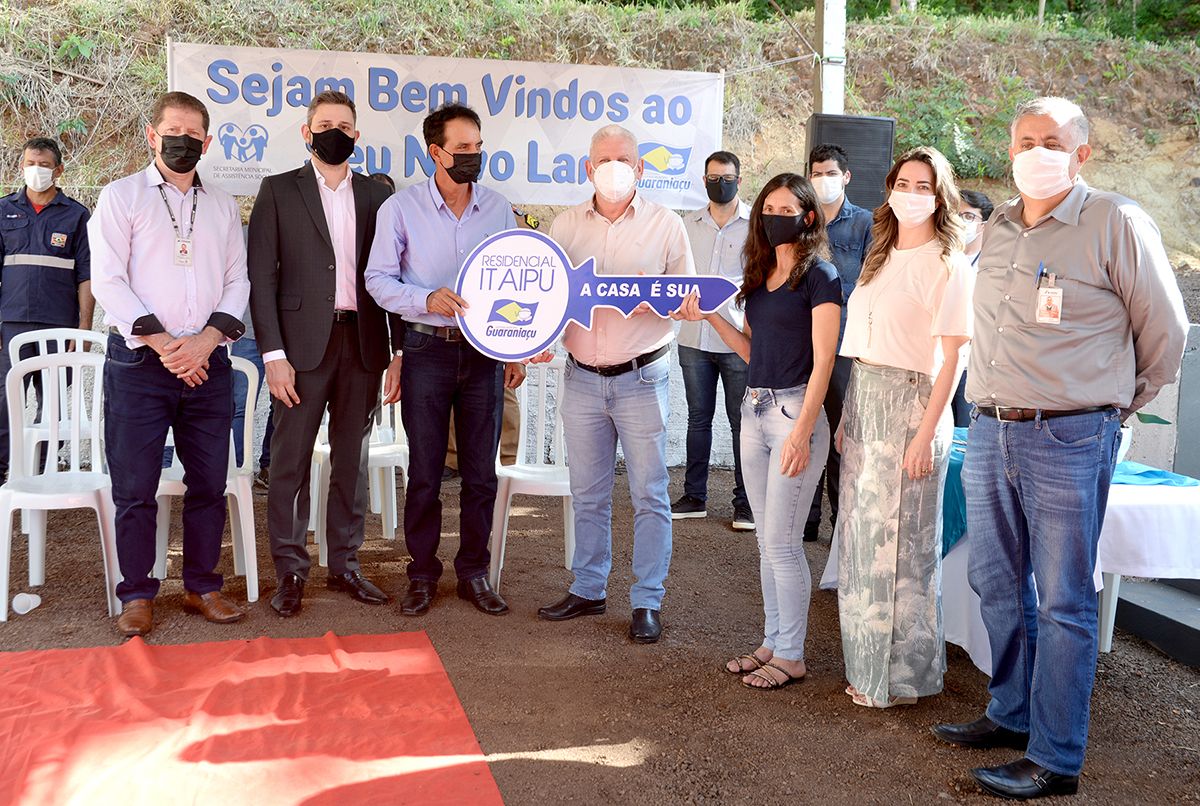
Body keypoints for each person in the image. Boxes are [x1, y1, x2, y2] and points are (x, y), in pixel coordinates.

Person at [932, 97, 1188, 801]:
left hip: (1071, 434)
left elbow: (1165, 332)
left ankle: (1054, 758)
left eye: (1052, 141)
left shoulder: (1115, 221)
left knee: (1065, 602)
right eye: (1024, 140)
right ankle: (1011, 713)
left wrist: (1113, 406)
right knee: (995, 582)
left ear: (1082, 153)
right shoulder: (1001, 229)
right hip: (991, 429)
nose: (1035, 151)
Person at [89, 91, 250, 636]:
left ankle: (203, 585)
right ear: (153, 136)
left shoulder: (224, 205)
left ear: (207, 142)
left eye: (193, 135)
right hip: (139, 366)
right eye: (171, 132)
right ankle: (136, 594)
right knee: (135, 485)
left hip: (208, 365)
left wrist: (204, 343)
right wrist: (166, 346)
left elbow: (237, 282)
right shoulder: (121, 196)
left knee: (208, 482)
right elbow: (110, 279)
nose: (182, 142)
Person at [672, 173, 840, 688]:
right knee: (769, 544)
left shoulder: (821, 276)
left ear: (808, 217)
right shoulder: (760, 273)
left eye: (788, 208)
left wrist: (804, 428)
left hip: (796, 416)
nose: (775, 215)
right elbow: (751, 352)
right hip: (755, 410)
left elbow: (826, 359)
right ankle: (773, 641)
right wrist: (712, 319)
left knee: (785, 543)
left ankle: (792, 655)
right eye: (769, 206)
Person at [535, 124, 694, 644]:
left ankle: (647, 600)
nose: (614, 166)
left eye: (624, 158)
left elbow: (685, 298)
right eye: (604, 159)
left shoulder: (668, 225)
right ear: (588, 168)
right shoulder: (564, 226)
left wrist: (669, 302)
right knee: (588, 494)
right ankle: (588, 587)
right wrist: (540, 337)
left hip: (642, 378)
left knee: (650, 494)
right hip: (580, 379)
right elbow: (549, 299)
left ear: (641, 168)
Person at [247, 90, 402, 618]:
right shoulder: (276, 192)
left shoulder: (378, 198)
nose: (334, 131)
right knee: (289, 461)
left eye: (344, 124)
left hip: (362, 344)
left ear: (356, 136)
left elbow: (394, 279)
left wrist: (397, 351)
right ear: (308, 133)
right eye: (324, 123)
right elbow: (260, 280)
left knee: (351, 462)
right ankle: (290, 570)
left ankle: (345, 564)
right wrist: (272, 353)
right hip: (299, 350)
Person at [365, 102, 522, 618]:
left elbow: (516, 281)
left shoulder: (499, 209)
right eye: (462, 149)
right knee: (427, 473)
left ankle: (474, 573)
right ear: (435, 152)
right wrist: (425, 298)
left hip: (484, 355)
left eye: (478, 147)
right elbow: (377, 281)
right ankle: (422, 575)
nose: (474, 156)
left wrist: (517, 347)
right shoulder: (401, 209)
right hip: (427, 350)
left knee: (481, 474)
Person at [836, 146, 972, 709]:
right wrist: (847, 415)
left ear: (940, 197)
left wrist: (925, 434)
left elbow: (953, 359)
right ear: (889, 187)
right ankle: (866, 667)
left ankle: (902, 679)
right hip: (866, 400)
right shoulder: (880, 252)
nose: (911, 193)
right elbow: (863, 346)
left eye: (924, 185)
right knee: (864, 546)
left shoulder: (949, 262)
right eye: (903, 182)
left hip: (915, 406)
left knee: (905, 553)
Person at [0, 137, 95, 480]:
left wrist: (83, 329)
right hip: (11, 325)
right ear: (21, 166)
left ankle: (41, 475)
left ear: (58, 170)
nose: (35, 171)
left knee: (52, 404)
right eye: (30, 164)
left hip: (59, 326)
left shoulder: (77, 215)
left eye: (43, 165)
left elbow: (87, 276)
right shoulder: (3, 209)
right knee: (3, 402)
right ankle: (4, 475)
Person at [670, 150, 754, 532]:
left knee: (742, 423)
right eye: (713, 177)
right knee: (698, 419)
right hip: (693, 338)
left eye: (728, 177)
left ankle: (746, 503)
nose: (721, 183)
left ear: (739, 179)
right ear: (704, 180)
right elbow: (674, 277)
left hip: (737, 337)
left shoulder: (757, 225)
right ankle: (694, 497)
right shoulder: (687, 225)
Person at [803, 143, 873, 542]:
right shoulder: (803, 221)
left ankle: (840, 525)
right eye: (817, 173)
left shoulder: (866, 223)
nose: (823, 180)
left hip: (845, 347)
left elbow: (869, 286)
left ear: (845, 177)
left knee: (841, 437)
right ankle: (806, 522)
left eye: (831, 173)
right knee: (804, 427)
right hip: (802, 344)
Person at [950, 189, 994, 427]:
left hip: (972, 365)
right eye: (956, 214)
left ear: (984, 225)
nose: (960, 221)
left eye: (968, 217)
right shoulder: (943, 258)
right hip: (940, 360)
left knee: (966, 430)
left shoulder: (993, 265)